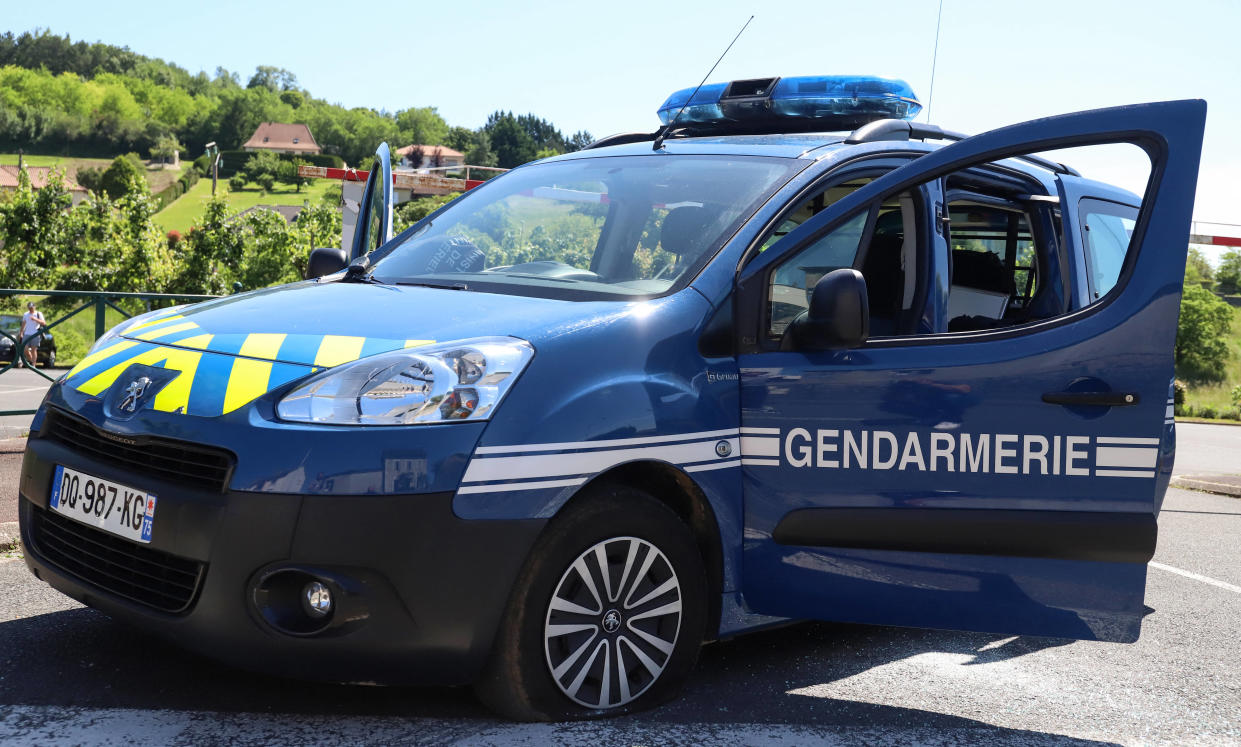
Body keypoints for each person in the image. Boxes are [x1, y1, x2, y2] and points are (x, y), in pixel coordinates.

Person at [19, 302, 45, 369]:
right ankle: (31, 360)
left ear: (34, 307)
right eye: (29, 308)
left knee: (34, 350)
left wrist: (35, 319)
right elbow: (23, 323)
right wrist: (21, 332)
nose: (31, 309)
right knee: (25, 349)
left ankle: (33, 365)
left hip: (35, 333)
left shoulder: (38, 314)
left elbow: (43, 323)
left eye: (32, 308)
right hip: (27, 333)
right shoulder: (26, 314)